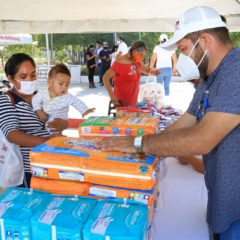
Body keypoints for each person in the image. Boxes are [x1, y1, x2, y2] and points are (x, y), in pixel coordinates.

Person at [99, 6, 240, 240]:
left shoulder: (235, 71)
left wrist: (140, 144)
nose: (182, 58)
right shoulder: (210, 78)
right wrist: (141, 146)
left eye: (183, 49)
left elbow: (202, 140)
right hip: (222, 198)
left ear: (204, 41)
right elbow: (185, 122)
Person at [0, 53, 68, 188]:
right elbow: (12, 134)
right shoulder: (6, 100)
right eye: (23, 77)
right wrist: (48, 141)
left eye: (33, 75)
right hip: (28, 169)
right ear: (10, 78)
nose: (30, 80)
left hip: (50, 161)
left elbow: (63, 121)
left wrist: (63, 123)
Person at [32, 63, 95, 130]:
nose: (64, 87)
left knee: (54, 128)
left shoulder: (67, 96)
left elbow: (76, 102)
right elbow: (35, 100)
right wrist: (39, 111)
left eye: (67, 85)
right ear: (50, 82)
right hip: (46, 117)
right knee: (49, 127)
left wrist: (84, 110)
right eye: (61, 84)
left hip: (60, 119)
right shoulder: (42, 93)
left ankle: (56, 135)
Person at [103, 41, 159, 106]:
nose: (142, 57)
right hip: (121, 103)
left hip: (133, 101)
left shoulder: (136, 60)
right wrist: (112, 96)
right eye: (141, 55)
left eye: (144, 55)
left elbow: (145, 69)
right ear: (135, 52)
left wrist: (153, 72)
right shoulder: (120, 62)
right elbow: (105, 77)